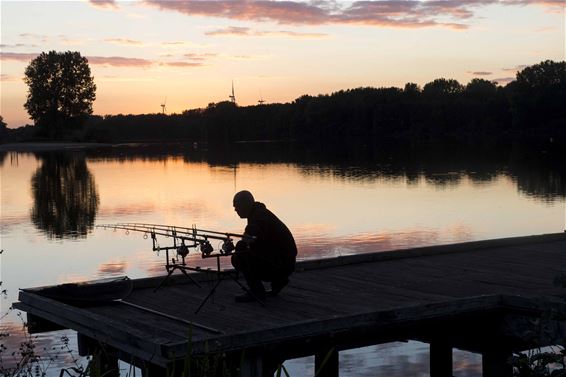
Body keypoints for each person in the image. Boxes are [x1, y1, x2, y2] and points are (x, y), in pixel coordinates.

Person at [231, 190, 297, 302]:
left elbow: (253, 232)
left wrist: (238, 247)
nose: (235, 210)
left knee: (240, 253)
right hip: (285, 262)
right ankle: (279, 281)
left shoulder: (259, 216)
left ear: (245, 205)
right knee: (245, 250)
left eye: (237, 206)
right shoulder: (259, 212)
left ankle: (257, 291)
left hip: (282, 263)